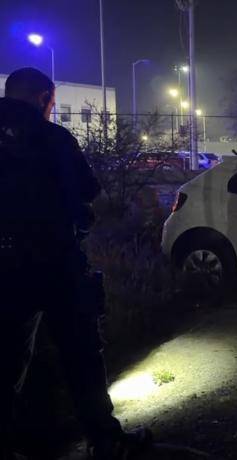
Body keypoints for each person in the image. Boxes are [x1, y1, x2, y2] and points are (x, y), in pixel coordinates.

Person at [0, 68, 150, 459]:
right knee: (81, 355)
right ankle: (103, 439)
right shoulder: (53, 138)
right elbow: (91, 193)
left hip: (4, 267)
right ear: (44, 97)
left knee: (7, 357)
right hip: (57, 265)